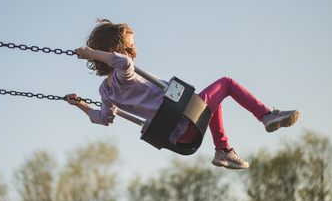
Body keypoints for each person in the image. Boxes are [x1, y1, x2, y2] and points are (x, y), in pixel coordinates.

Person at [65, 19, 299, 170]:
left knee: (212, 104)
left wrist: (81, 105)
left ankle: (224, 150)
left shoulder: (105, 92)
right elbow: (124, 63)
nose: (135, 50)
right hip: (183, 118)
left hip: (177, 136)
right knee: (226, 83)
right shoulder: (123, 74)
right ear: (113, 51)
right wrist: (92, 53)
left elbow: (104, 119)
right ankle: (265, 115)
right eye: (131, 45)